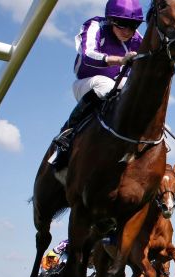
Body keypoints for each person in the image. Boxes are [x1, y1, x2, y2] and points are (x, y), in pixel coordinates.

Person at [50, 0, 144, 167]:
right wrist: (119, 60)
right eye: (122, 24)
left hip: (118, 85)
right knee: (105, 85)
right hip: (87, 83)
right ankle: (66, 133)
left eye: (133, 25)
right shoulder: (95, 25)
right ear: (110, 19)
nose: (128, 31)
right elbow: (87, 54)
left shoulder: (137, 38)